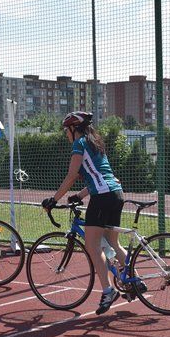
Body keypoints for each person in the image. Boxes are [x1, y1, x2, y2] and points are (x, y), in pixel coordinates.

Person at [41, 112, 129, 314]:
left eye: (66, 130)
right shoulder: (96, 143)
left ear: (74, 129)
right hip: (116, 194)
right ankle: (134, 280)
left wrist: (53, 200)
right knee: (113, 242)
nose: (66, 134)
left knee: (92, 245)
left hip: (102, 197)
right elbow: (100, 175)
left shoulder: (79, 144)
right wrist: (80, 196)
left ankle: (108, 290)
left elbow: (72, 175)